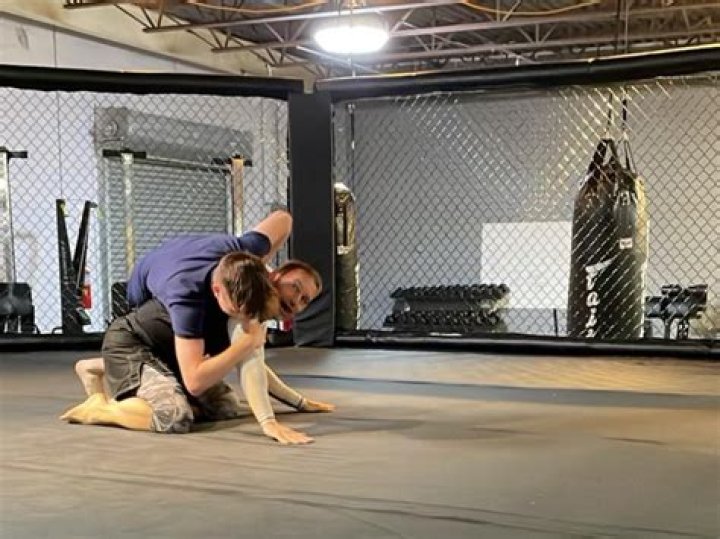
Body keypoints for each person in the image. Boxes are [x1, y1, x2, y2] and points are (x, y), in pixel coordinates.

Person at [61, 209, 334, 445]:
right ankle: (99, 408)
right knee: (174, 416)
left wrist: (298, 402)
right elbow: (197, 380)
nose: (296, 301)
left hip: (169, 319)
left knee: (226, 407)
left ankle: (111, 368)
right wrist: (268, 422)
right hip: (135, 331)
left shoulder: (246, 266)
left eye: (305, 300)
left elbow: (283, 219)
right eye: (295, 288)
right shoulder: (187, 300)